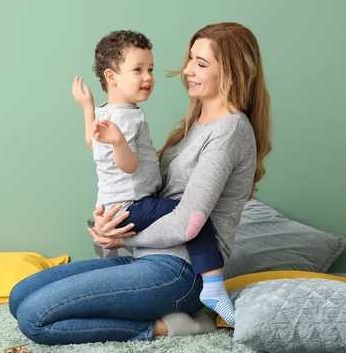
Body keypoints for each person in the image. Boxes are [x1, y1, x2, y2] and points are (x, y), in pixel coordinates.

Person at [9, 22, 272, 345]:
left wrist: (124, 240)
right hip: (146, 259)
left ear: (232, 72)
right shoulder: (194, 125)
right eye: (190, 58)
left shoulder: (229, 131)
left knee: (34, 318)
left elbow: (187, 222)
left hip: (180, 271)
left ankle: (167, 326)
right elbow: (143, 197)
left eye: (201, 64)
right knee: (19, 296)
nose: (187, 70)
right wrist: (111, 229)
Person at [71, 30, 233, 324]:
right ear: (112, 77)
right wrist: (120, 142)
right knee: (196, 219)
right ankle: (213, 285)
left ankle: (210, 286)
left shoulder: (107, 112)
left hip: (113, 206)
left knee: (191, 219)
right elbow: (129, 166)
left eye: (150, 70)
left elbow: (91, 142)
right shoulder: (127, 118)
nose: (148, 77)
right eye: (138, 70)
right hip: (133, 205)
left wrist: (87, 108)